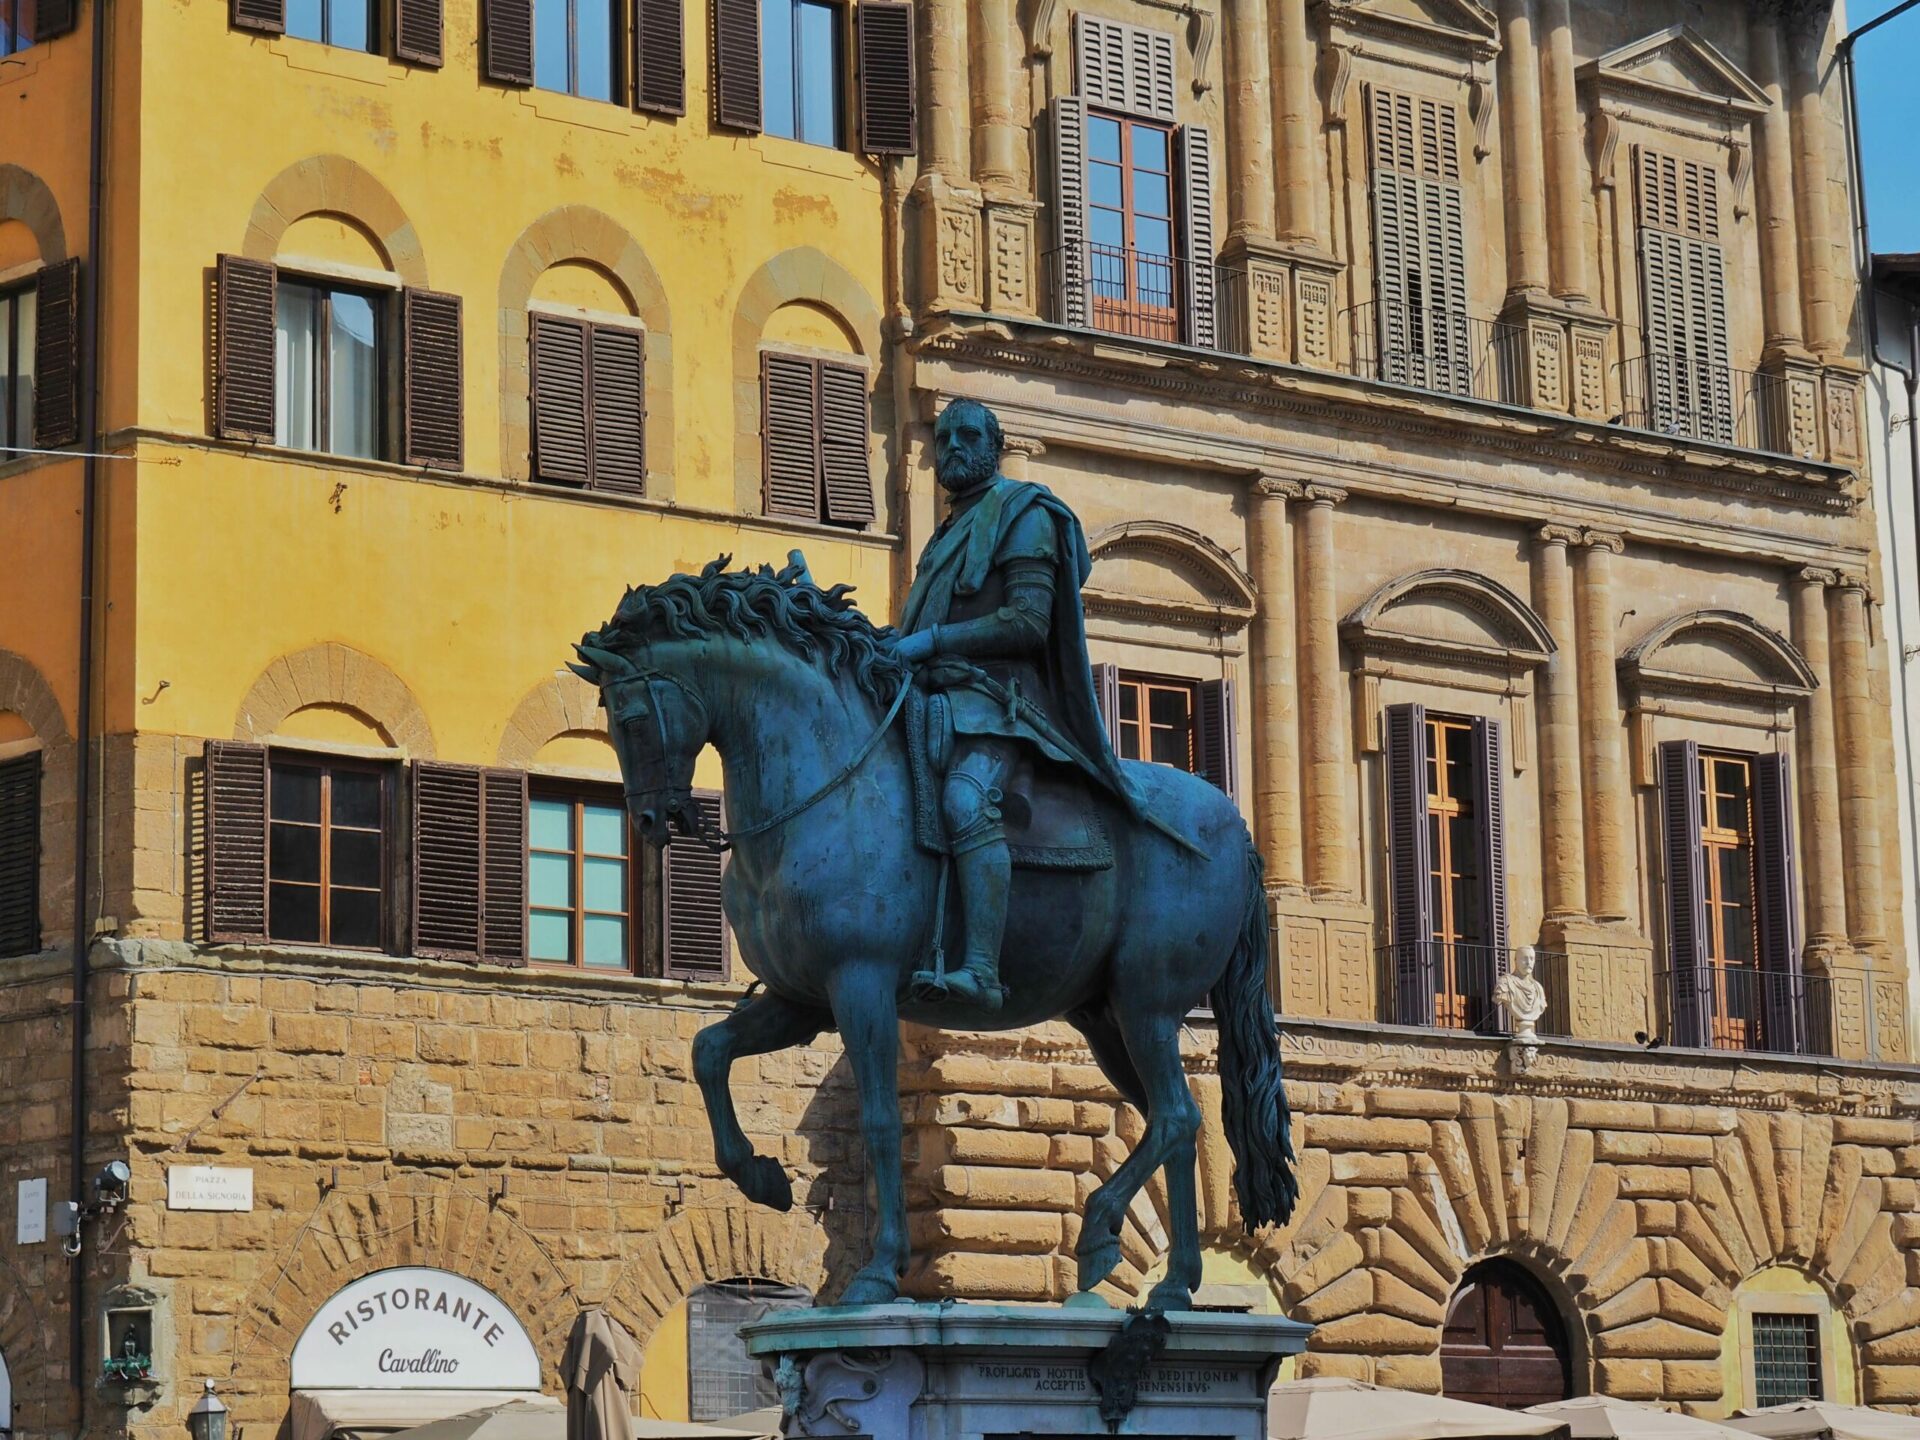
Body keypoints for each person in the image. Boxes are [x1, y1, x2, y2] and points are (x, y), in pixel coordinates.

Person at [892, 399, 1141, 1010]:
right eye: (944, 435)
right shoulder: (949, 530)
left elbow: (1028, 622)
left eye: (967, 435)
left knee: (964, 800)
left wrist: (934, 641)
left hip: (999, 703)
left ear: (993, 445)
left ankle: (980, 969)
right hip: (935, 696)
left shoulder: (1024, 513)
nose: (951, 445)